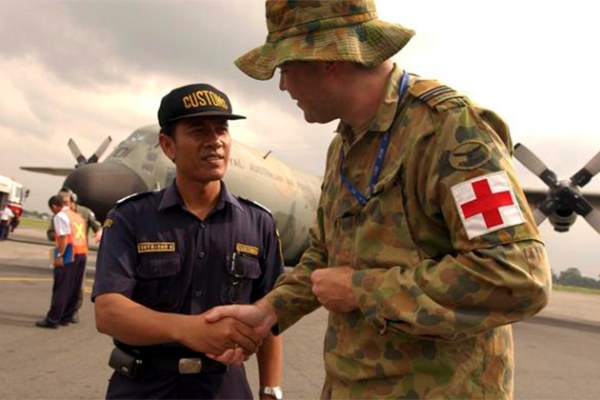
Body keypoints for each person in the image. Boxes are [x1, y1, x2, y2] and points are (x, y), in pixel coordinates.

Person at [205, 1, 552, 399]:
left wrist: (362, 290)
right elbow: (324, 256)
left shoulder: (448, 130)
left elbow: (517, 275)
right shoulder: (344, 144)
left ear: (326, 61)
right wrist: (268, 311)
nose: (282, 86)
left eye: (284, 69)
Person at [92, 83, 284, 400]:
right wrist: (189, 329)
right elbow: (109, 312)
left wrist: (270, 390)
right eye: (198, 130)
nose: (215, 141)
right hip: (145, 386)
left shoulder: (258, 223)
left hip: (224, 387)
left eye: (222, 129)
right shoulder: (130, 218)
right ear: (168, 146)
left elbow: (272, 313)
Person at [36, 195, 88, 328]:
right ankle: (66, 317)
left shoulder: (60, 216)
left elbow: (64, 238)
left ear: (54, 206)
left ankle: (53, 319)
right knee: (73, 287)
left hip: (67, 250)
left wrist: (59, 255)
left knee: (61, 287)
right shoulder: (76, 215)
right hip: (82, 252)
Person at [58, 189, 102, 323]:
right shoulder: (60, 213)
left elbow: (97, 226)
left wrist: (100, 232)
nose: (63, 205)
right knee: (60, 283)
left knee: (78, 284)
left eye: (65, 201)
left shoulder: (84, 212)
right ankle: (59, 311)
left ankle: (74, 311)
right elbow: (50, 232)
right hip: (62, 251)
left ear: (73, 200)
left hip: (79, 251)